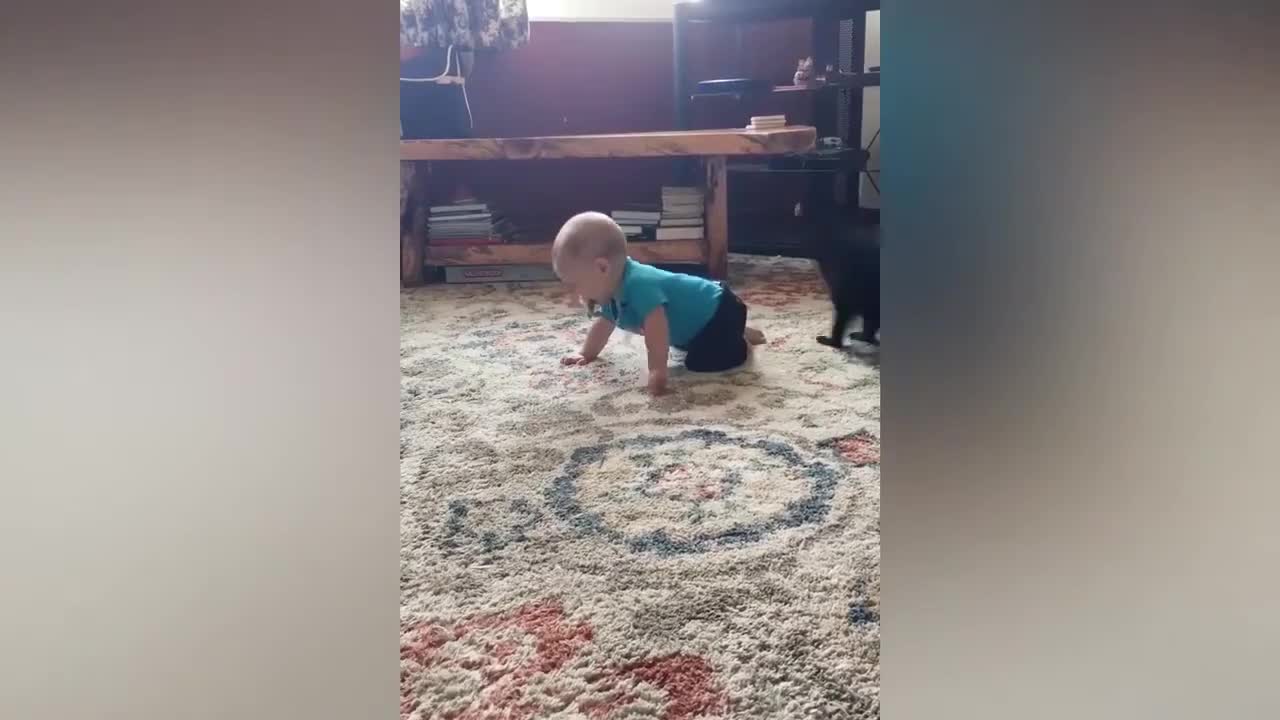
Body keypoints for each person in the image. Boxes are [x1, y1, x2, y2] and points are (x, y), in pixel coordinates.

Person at [551, 212, 765, 396]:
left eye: (574, 283)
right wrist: (586, 353)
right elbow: (604, 323)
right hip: (701, 323)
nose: (572, 292)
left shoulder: (639, 284)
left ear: (602, 268)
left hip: (721, 311)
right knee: (684, 346)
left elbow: (658, 330)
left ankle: (738, 342)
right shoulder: (612, 289)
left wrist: (657, 370)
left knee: (699, 363)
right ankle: (736, 332)